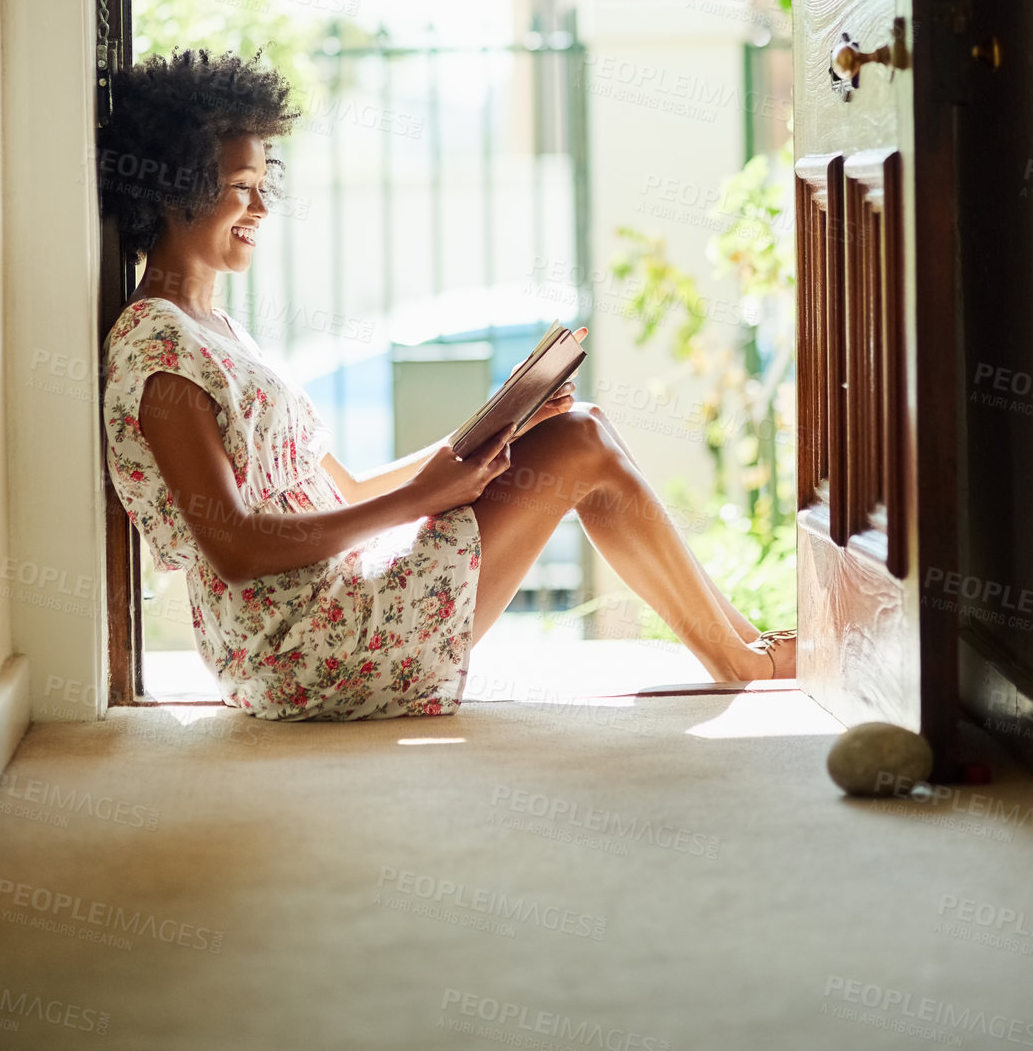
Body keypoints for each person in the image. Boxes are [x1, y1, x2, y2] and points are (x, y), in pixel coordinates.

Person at [100, 48, 796, 721]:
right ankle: (745, 660)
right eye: (240, 189)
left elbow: (344, 490)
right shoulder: (160, 346)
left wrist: (488, 435)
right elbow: (236, 546)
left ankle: (747, 647)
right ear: (173, 189)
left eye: (263, 186)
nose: (261, 208)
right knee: (579, 441)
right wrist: (419, 498)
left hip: (328, 601)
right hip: (299, 645)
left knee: (573, 427)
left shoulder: (214, 328)